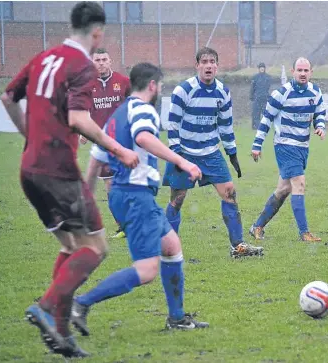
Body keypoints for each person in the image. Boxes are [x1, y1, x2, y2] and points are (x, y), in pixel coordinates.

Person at [0, 1, 139, 358]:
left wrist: (29, 137)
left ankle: (61, 334)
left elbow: (7, 97)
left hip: (29, 169)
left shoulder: (44, 57)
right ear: (97, 32)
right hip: (59, 170)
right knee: (96, 248)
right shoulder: (81, 66)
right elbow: (79, 119)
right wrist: (119, 150)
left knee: (71, 247)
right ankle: (45, 307)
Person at [71, 62, 209, 336]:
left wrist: (85, 198)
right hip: (136, 196)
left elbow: (96, 161)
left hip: (124, 196)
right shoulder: (144, 110)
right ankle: (79, 304)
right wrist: (184, 162)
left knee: (171, 246)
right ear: (153, 85)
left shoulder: (116, 115)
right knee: (146, 270)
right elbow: (144, 138)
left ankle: (177, 318)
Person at [163, 47, 263, 258]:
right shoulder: (184, 90)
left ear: (217, 66)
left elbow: (225, 125)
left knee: (229, 193)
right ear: (197, 65)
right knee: (177, 199)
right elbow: (172, 124)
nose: (208, 66)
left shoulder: (223, 92)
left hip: (211, 152)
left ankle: (238, 246)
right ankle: (168, 247)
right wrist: (176, 154)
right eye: (204, 62)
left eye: (212, 62)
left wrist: (232, 154)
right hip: (185, 152)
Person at [250, 57, 326, 242]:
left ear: (311, 72)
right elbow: (266, 119)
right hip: (285, 145)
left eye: (306, 70)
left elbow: (320, 112)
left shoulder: (315, 92)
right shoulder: (281, 93)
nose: (302, 73)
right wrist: (257, 145)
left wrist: (320, 126)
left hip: (302, 146)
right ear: (293, 72)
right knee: (299, 184)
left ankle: (257, 226)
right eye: (299, 70)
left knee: (283, 189)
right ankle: (304, 232)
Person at [81, 48, 131, 238]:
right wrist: (84, 132)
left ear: (110, 61)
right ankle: (123, 226)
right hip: (102, 146)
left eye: (104, 59)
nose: (101, 63)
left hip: (124, 142)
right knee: (111, 189)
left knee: (130, 185)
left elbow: (135, 105)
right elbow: (83, 111)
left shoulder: (123, 82)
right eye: (97, 60)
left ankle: (136, 222)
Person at [250, 62, 272, 130]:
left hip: (265, 98)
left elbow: (268, 87)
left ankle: (265, 127)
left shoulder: (268, 77)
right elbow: (252, 88)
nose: (262, 69)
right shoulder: (255, 77)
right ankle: (256, 127)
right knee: (256, 113)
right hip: (257, 98)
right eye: (260, 68)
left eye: (263, 68)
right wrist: (251, 96)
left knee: (265, 114)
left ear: (264, 68)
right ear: (259, 69)